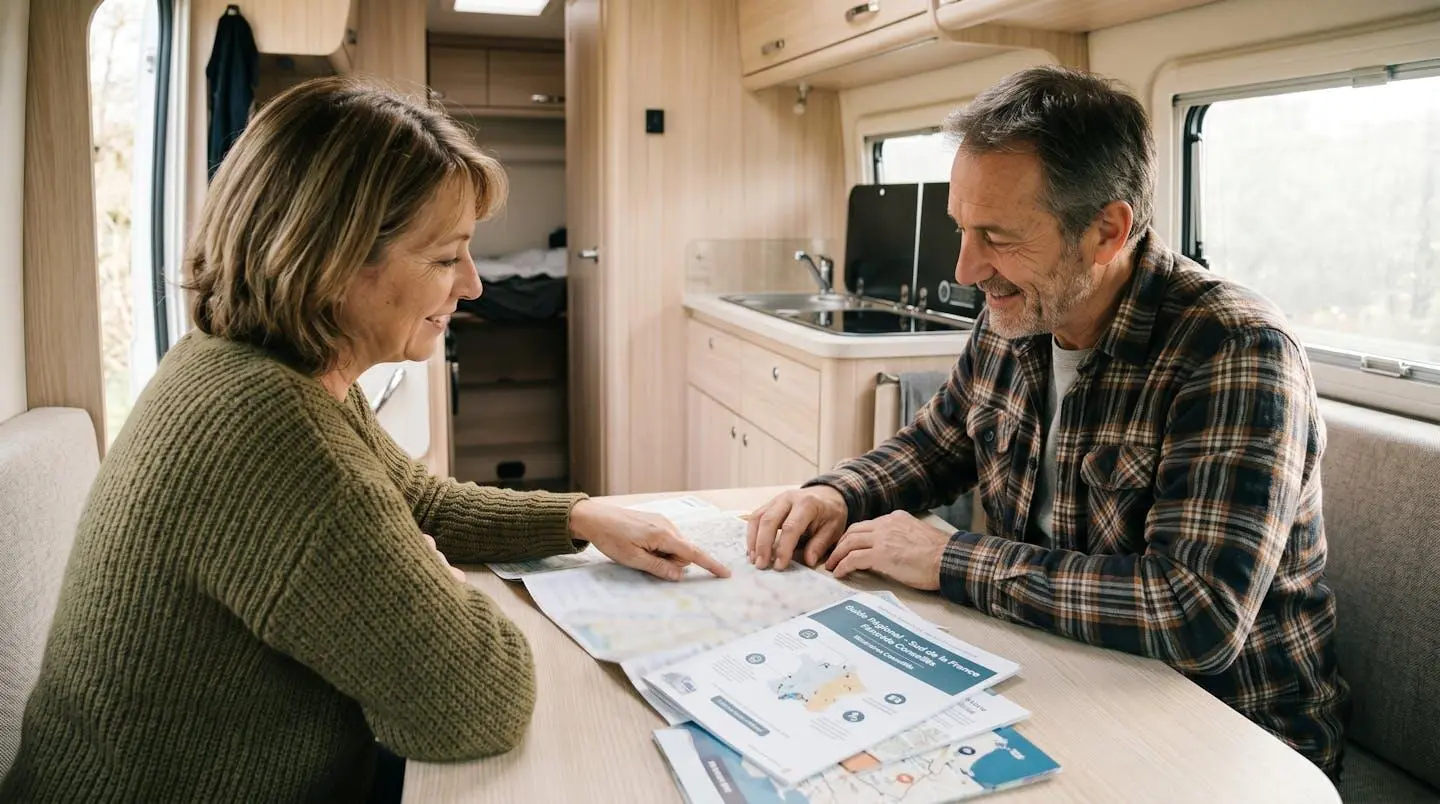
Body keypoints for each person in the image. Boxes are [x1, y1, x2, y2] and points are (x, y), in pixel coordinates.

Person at [0, 75, 728, 802]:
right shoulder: (270, 431)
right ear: (333, 260)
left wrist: (578, 518)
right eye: (446, 258)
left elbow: (418, 502)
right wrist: (435, 583)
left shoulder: (260, 366)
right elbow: (478, 703)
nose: (472, 286)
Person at [745, 66, 1347, 778]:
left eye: (996, 236)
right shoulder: (1019, 308)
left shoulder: (1236, 349)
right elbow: (937, 444)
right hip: (1049, 667)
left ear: (1106, 231)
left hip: (1226, 732)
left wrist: (948, 559)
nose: (968, 268)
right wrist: (836, 494)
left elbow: (1194, 614)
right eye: (961, 229)